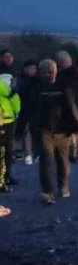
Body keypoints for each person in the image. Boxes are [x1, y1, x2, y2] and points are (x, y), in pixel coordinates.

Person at [36, 58, 78, 204]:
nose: (49, 74)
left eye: (51, 71)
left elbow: (72, 107)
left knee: (63, 161)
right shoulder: (37, 87)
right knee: (47, 160)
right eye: (45, 72)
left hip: (62, 130)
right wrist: (21, 129)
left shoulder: (63, 86)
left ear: (56, 71)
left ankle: (63, 185)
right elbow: (29, 109)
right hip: (44, 129)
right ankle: (48, 191)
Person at [55, 51, 78, 164]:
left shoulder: (66, 75)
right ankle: (77, 153)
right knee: (77, 129)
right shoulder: (75, 74)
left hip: (74, 104)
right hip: (76, 104)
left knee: (76, 129)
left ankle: (77, 153)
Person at [0, 48, 21, 195]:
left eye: (10, 56)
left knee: (8, 150)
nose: (8, 59)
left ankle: (7, 176)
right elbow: (9, 92)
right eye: (5, 56)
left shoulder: (13, 72)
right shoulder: (6, 75)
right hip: (3, 117)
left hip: (9, 116)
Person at [15, 60, 40, 166]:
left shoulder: (38, 80)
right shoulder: (20, 80)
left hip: (35, 109)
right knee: (25, 132)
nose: (32, 71)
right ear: (25, 69)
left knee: (36, 132)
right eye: (30, 68)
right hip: (23, 108)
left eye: (34, 68)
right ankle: (27, 154)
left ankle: (36, 153)